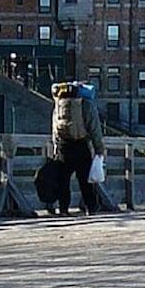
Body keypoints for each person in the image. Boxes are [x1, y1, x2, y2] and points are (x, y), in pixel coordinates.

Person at [49, 79, 105, 214]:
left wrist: (56, 146)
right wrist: (99, 148)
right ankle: (91, 208)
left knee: (64, 179)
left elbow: (55, 126)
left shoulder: (59, 103)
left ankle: (63, 209)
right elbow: (94, 127)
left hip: (64, 145)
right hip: (81, 144)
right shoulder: (85, 104)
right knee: (85, 179)